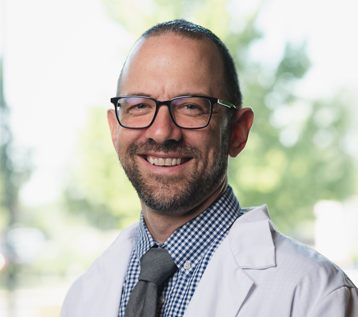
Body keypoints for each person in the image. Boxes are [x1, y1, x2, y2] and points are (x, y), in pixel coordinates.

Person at [60, 20, 358, 317]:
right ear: (115, 130)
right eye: (140, 106)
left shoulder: (316, 294)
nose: (162, 132)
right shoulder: (82, 296)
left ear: (238, 132)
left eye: (191, 106)